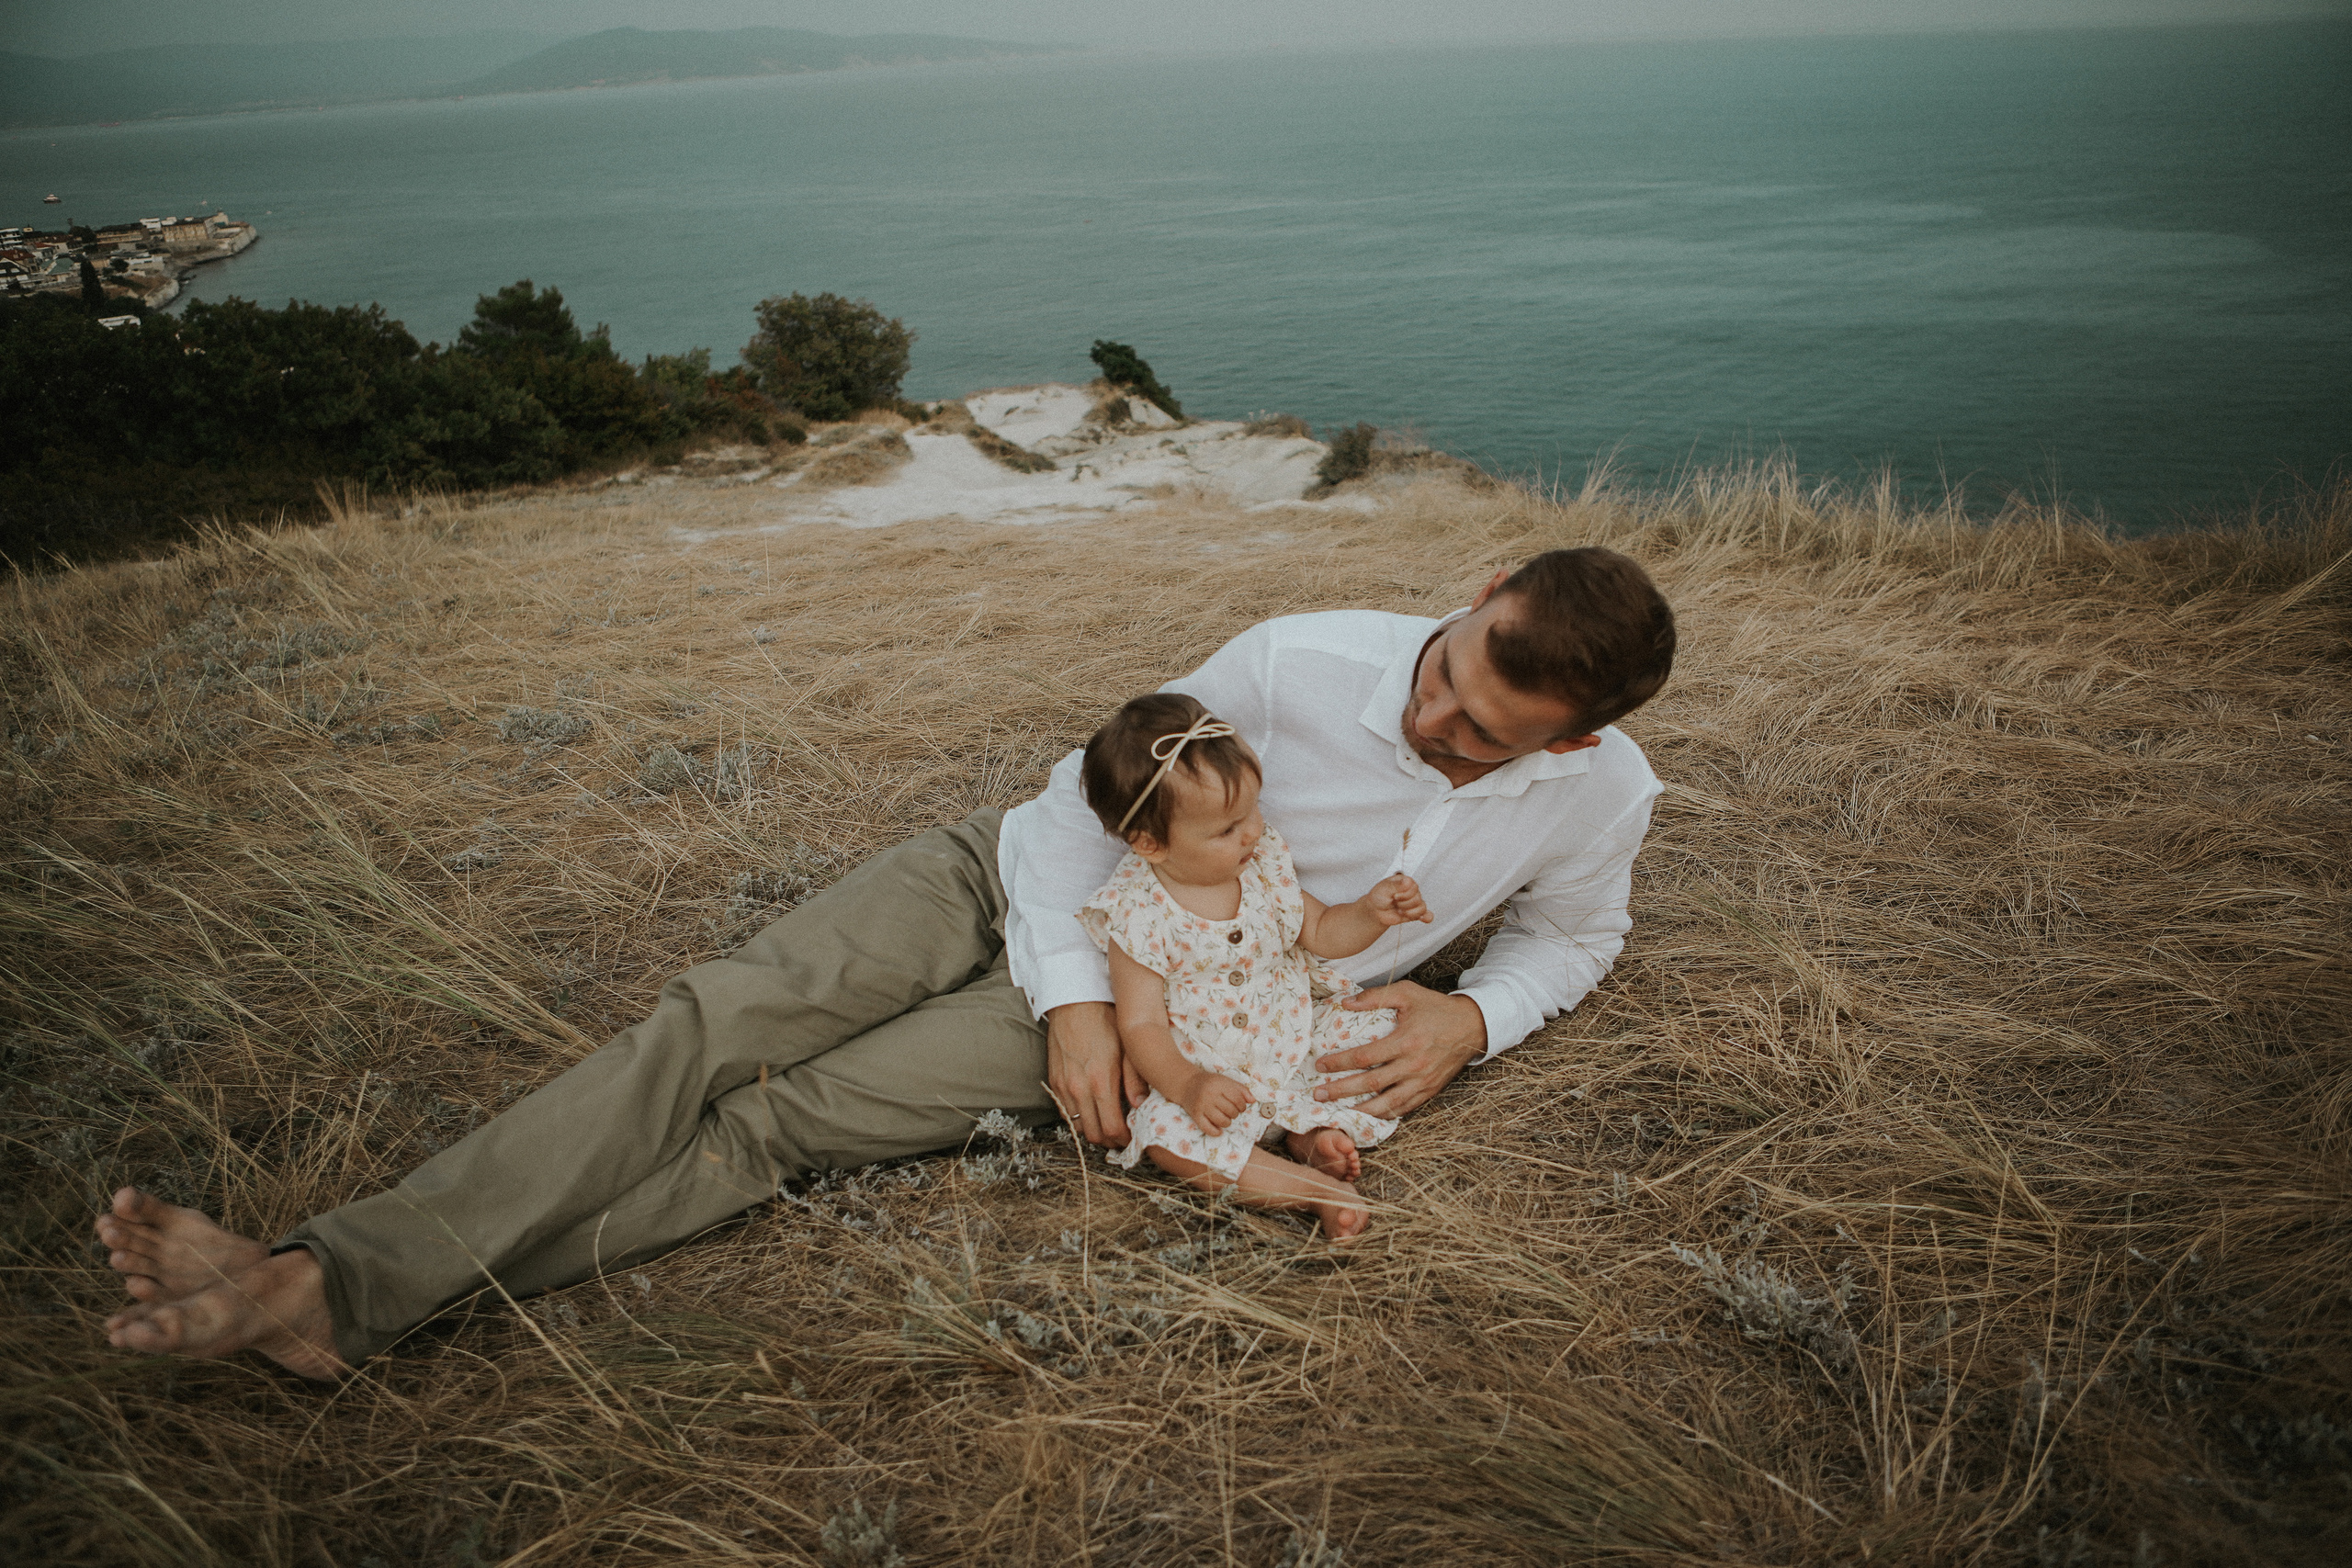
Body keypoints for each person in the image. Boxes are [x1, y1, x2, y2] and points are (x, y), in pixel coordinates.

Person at [96, 547, 1675, 1379]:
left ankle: (329, 1293)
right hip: (1009, 884)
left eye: (1485, 733)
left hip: (1188, 994)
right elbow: (1080, 813)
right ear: (1475, 596)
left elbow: (1573, 933)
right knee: (710, 1023)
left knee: (781, 1123)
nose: (1435, 725)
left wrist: (1475, 1013)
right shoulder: (1298, 659)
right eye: (1453, 676)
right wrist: (1064, 996)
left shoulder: (1605, 793)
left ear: (1582, 736)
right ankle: (333, 1278)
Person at [1076, 694, 1433, 1237]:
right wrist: (1189, 1083)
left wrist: (1369, 912)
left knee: (1379, 1031)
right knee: (1170, 1138)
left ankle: (1309, 1133)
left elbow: (1320, 932)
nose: (1251, 833)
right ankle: (1313, 1190)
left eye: (1252, 812)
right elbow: (1140, 1023)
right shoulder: (1136, 912)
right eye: (1225, 829)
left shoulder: (1263, 863)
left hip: (1295, 1037)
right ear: (1150, 844)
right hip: (1211, 1074)